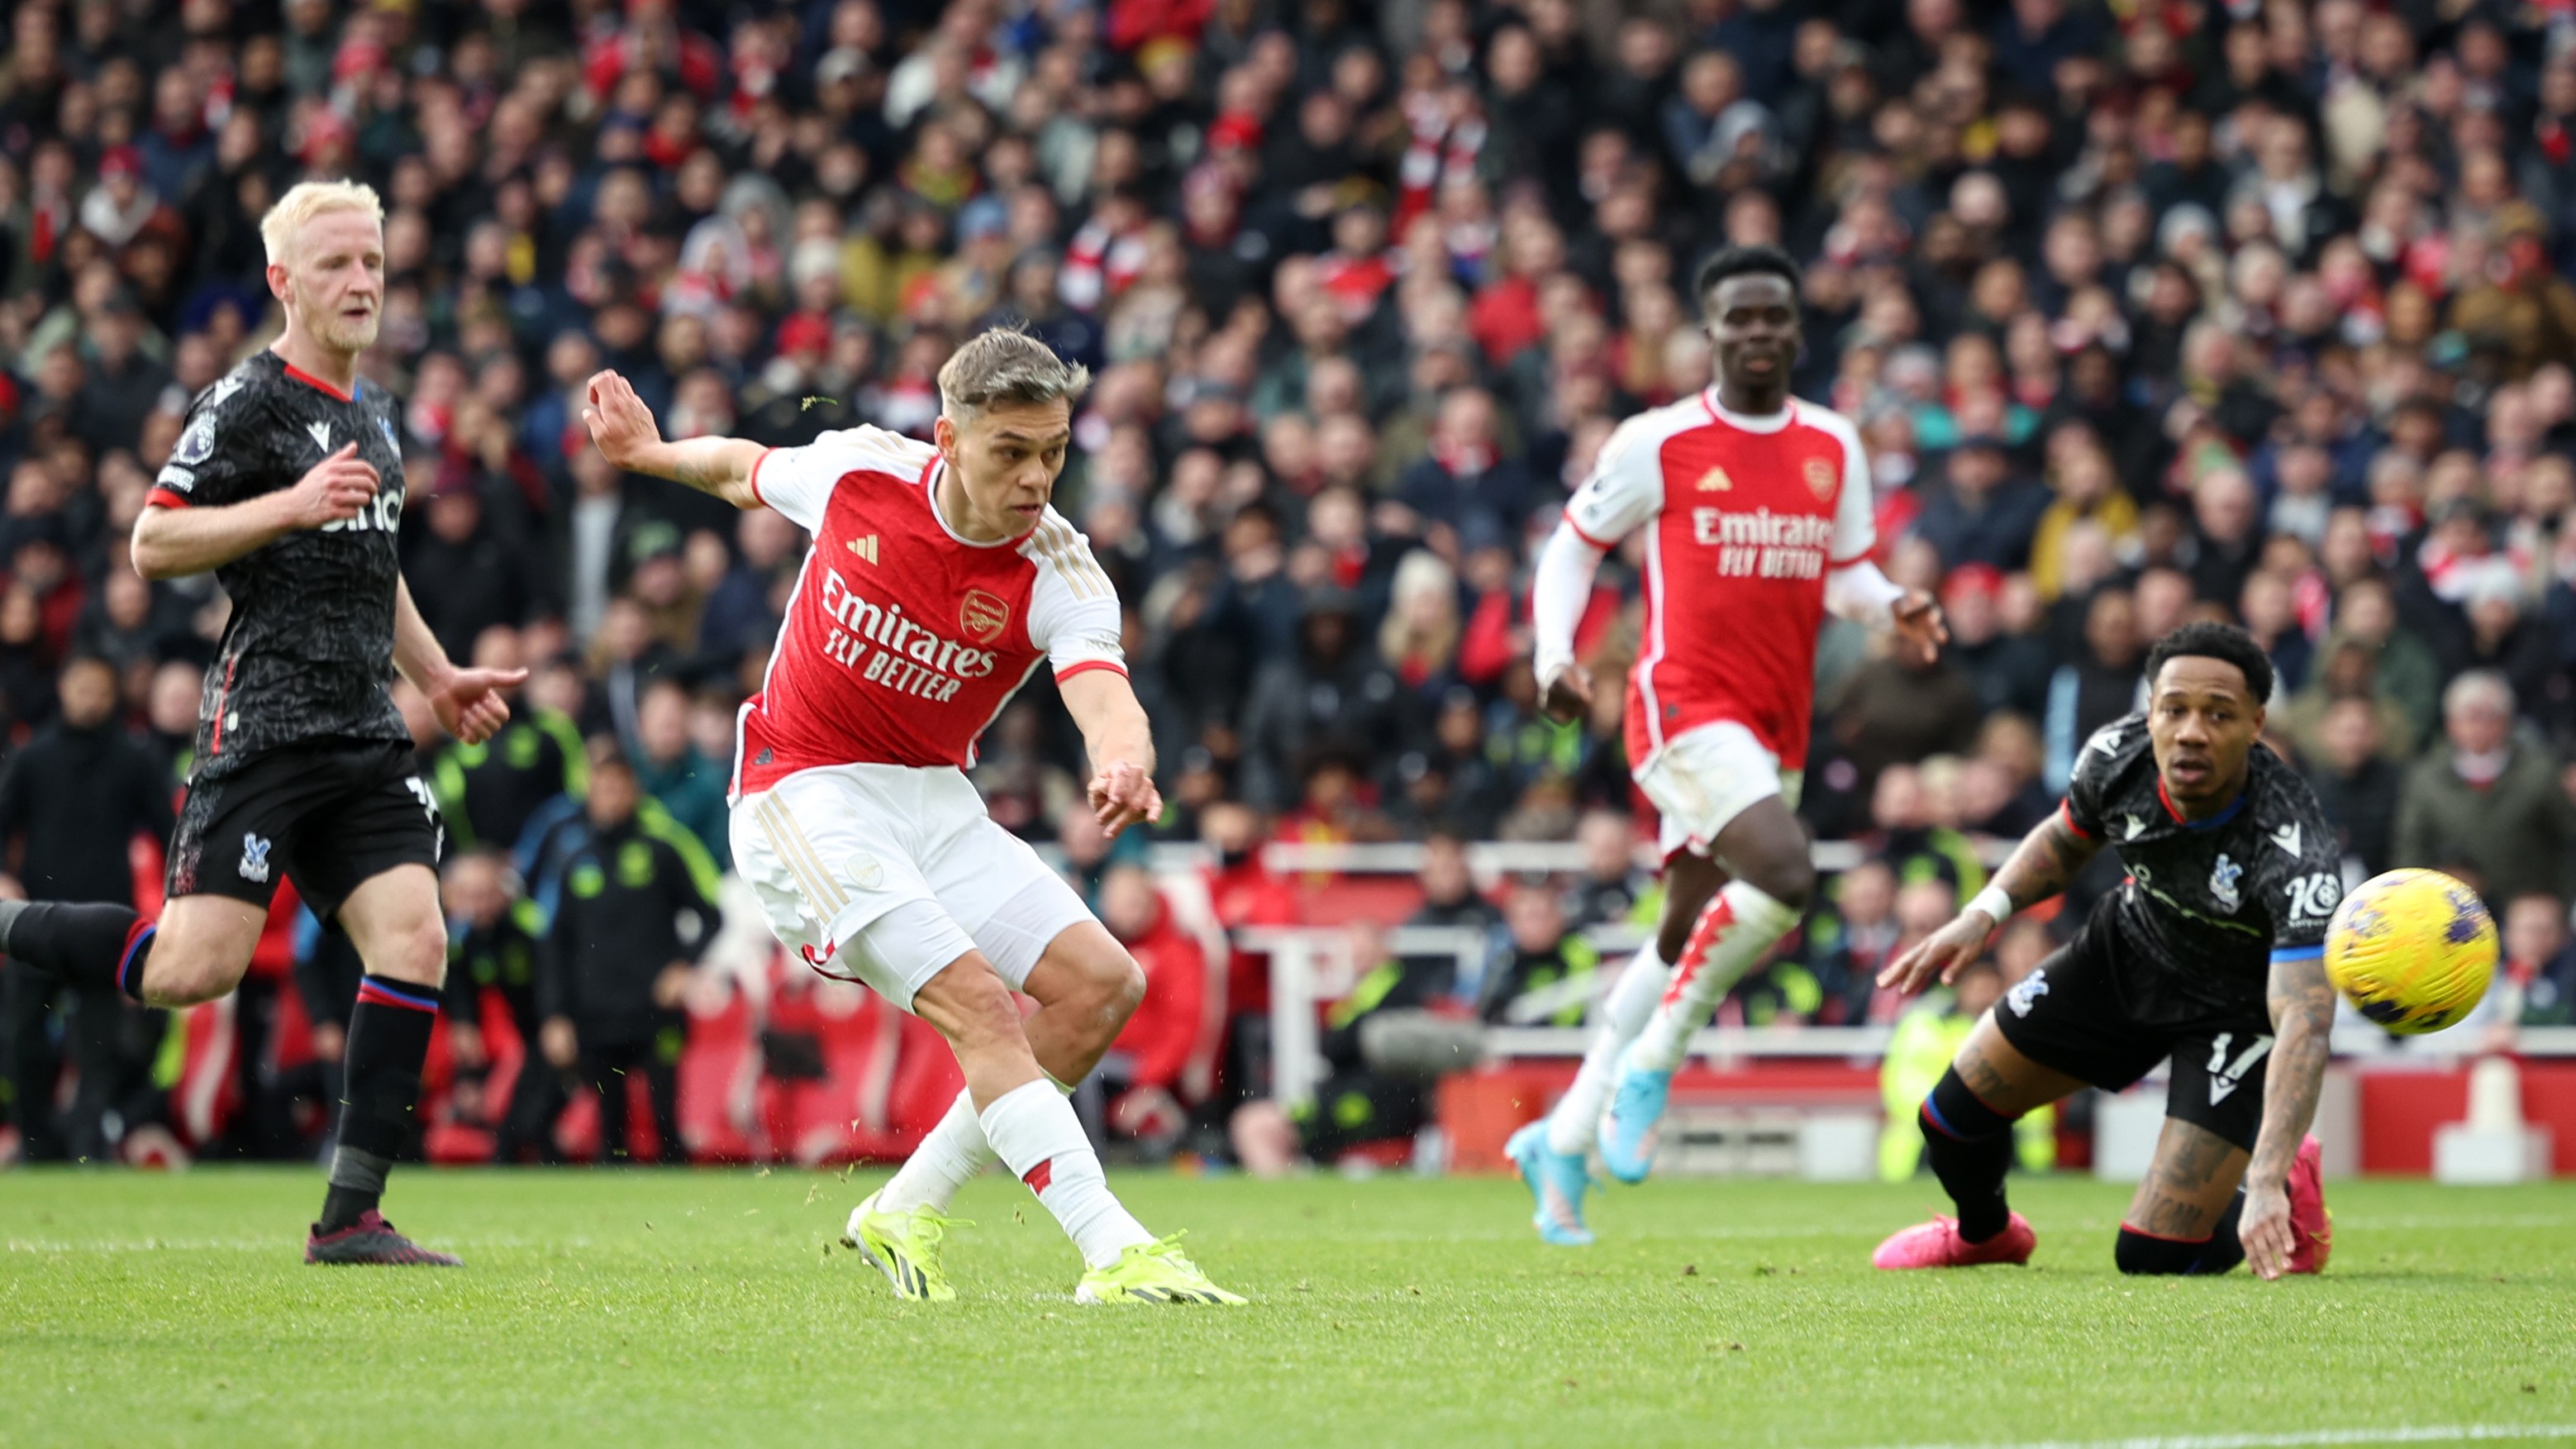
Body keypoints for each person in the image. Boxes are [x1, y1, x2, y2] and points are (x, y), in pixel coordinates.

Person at [582, 325, 1240, 1305]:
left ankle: (905, 1204)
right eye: (1010, 452)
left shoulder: (1061, 570)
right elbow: (740, 470)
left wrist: (1126, 760)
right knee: (979, 1005)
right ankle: (1112, 1249)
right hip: (800, 787)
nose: (1036, 478)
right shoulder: (860, 474)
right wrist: (646, 453)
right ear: (947, 437)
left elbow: (1104, 693)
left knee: (1101, 987)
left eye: (1053, 452)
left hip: (932, 798)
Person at [0, 182, 522, 1265]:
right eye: (336, 264)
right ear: (285, 281)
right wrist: (287, 504)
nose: (363, 281)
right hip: (265, 732)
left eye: (373, 261)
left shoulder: (374, 417)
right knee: (196, 969)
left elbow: (373, 572)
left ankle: (350, 1220)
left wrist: (434, 679)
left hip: (364, 736)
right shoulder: (249, 403)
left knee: (416, 936)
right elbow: (152, 541)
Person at [1507, 245, 1947, 1245]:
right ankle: (1658, 1061)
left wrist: (1895, 607)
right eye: (1736, 318)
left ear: (1797, 330)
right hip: (1680, 702)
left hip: (1774, 722)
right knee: (1787, 875)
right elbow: (1571, 547)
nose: (1756, 334)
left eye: (1773, 317)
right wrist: (1551, 657)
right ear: (1708, 333)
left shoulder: (1833, 443)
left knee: (1683, 930)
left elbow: (1845, 572)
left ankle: (1565, 1137)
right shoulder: (1659, 442)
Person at [1872, 623, 2337, 1280]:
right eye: (2173, 708)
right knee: (1948, 1119)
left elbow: (2305, 1019)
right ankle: (1986, 1235)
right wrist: (1981, 915)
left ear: (2255, 723)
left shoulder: (2293, 846)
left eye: (2218, 713)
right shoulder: (2116, 756)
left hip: (2230, 1012)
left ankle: (2289, 1189)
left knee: (2150, 1258)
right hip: (2123, 955)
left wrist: (2263, 1175)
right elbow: (2066, 840)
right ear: (2149, 711)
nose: (2191, 730)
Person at [0, 656, 177, 1161]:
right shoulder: (33, 756)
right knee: (22, 1034)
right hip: (38, 922)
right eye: (82, 689)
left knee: (101, 1044)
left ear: (114, 694)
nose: (91, 700)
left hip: (106, 925)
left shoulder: (134, 758)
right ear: (63, 689)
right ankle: (36, 1141)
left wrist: (180, 898)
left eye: (100, 691)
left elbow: (170, 835)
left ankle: (87, 1142)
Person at [537, 753, 713, 1164]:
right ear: (588, 795)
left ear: (634, 791)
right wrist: (555, 1014)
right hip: (597, 1014)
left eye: (618, 788)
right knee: (610, 1132)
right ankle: (614, 1219)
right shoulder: (571, 857)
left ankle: (681, 1215)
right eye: (601, 790)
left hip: (656, 1009)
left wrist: (684, 965)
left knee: (667, 1123)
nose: (610, 798)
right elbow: (554, 943)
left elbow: (711, 915)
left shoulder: (662, 849)